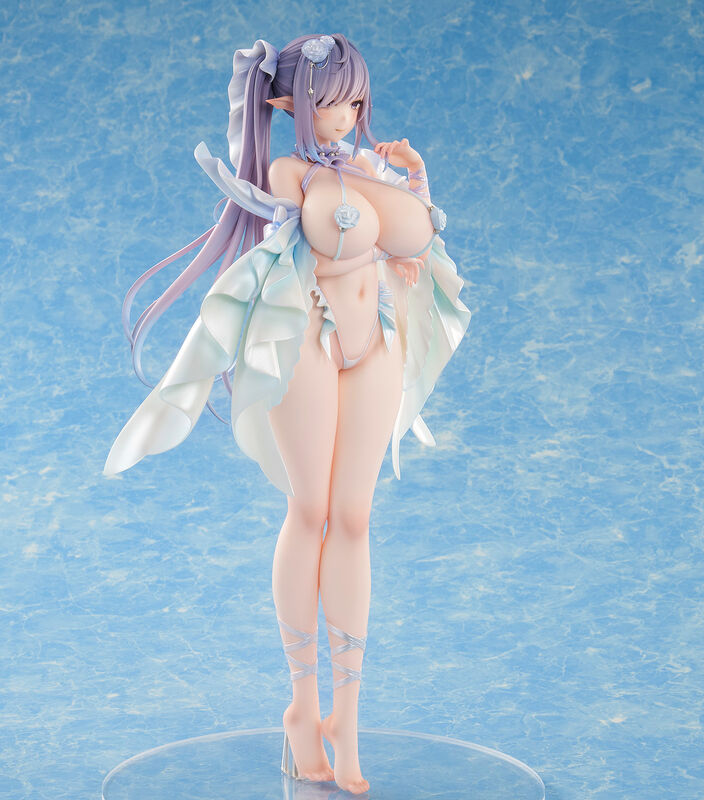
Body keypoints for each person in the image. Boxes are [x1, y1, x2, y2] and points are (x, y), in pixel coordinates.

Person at [104, 33, 470, 795]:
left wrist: (413, 179)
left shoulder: (368, 165)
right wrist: (383, 192)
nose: (345, 115)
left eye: (354, 100)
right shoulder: (290, 172)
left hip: (375, 339)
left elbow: (415, 237)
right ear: (287, 104)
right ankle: (302, 706)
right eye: (327, 101)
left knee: (355, 517)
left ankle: (347, 718)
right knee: (311, 511)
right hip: (306, 335)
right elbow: (332, 229)